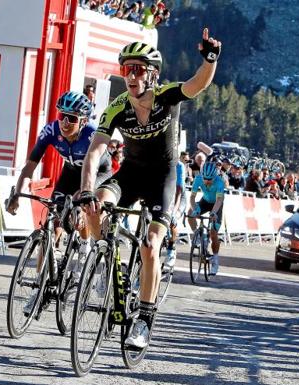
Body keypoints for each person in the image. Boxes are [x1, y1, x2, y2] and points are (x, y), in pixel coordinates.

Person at [79, 28, 221, 349]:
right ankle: (102, 257)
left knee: (149, 244)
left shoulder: (166, 95)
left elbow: (197, 84)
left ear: (152, 75)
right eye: (126, 69)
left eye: (138, 69)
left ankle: (143, 319)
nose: (130, 75)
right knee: (96, 203)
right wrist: (87, 189)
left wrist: (210, 58)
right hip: (131, 173)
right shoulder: (117, 106)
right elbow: (96, 152)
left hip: (163, 177)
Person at [5, 91, 112, 288]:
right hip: (70, 172)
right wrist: (18, 194)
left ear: (83, 121)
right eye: (61, 115)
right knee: (52, 221)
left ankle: (84, 245)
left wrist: (81, 201)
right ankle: (40, 282)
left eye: (71, 118)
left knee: (81, 207)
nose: (65, 122)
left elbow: (90, 175)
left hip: (97, 174)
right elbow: (30, 165)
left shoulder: (92, 135)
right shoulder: (51, 130)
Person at [188, 161, 224, 274]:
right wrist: (196, 209)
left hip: (216, 205)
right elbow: (192, 198)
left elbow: (219, 200)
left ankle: (215, 260)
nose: (207, 182)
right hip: (205, 201)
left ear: (215, 177)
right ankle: (198, 236)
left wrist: (213, 213)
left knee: (213, 233)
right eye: (205, 179)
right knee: (190, 213)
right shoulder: (198, 178)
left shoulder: (219, 182)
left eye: (210, 180)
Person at [165, 158, 187, 267]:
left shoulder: (179, 166)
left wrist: (173, 212)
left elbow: (178, 191)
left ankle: (171, 249)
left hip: (179, 197)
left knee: (172, 220)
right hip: (166, 194)